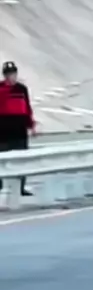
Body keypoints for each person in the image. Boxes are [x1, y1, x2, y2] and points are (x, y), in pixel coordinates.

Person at [0, 61, 36, 196]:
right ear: (4, 75)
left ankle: (21, 187)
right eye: (8, 74)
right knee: (2, 159)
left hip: (20, 129)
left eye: (13, 73)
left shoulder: (22, 89)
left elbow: (27, 108)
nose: (11, 76)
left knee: (22, 159)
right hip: (3, 130)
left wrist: (31, 125)